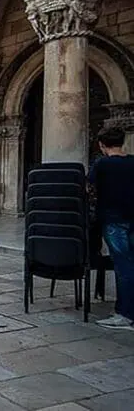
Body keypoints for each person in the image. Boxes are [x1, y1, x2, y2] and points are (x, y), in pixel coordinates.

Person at [90, 126, 134, 330]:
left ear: (101, 145)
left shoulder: (102, 164)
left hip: (113, 219)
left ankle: (125, 314)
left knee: (123, 266)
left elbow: (89, 187)